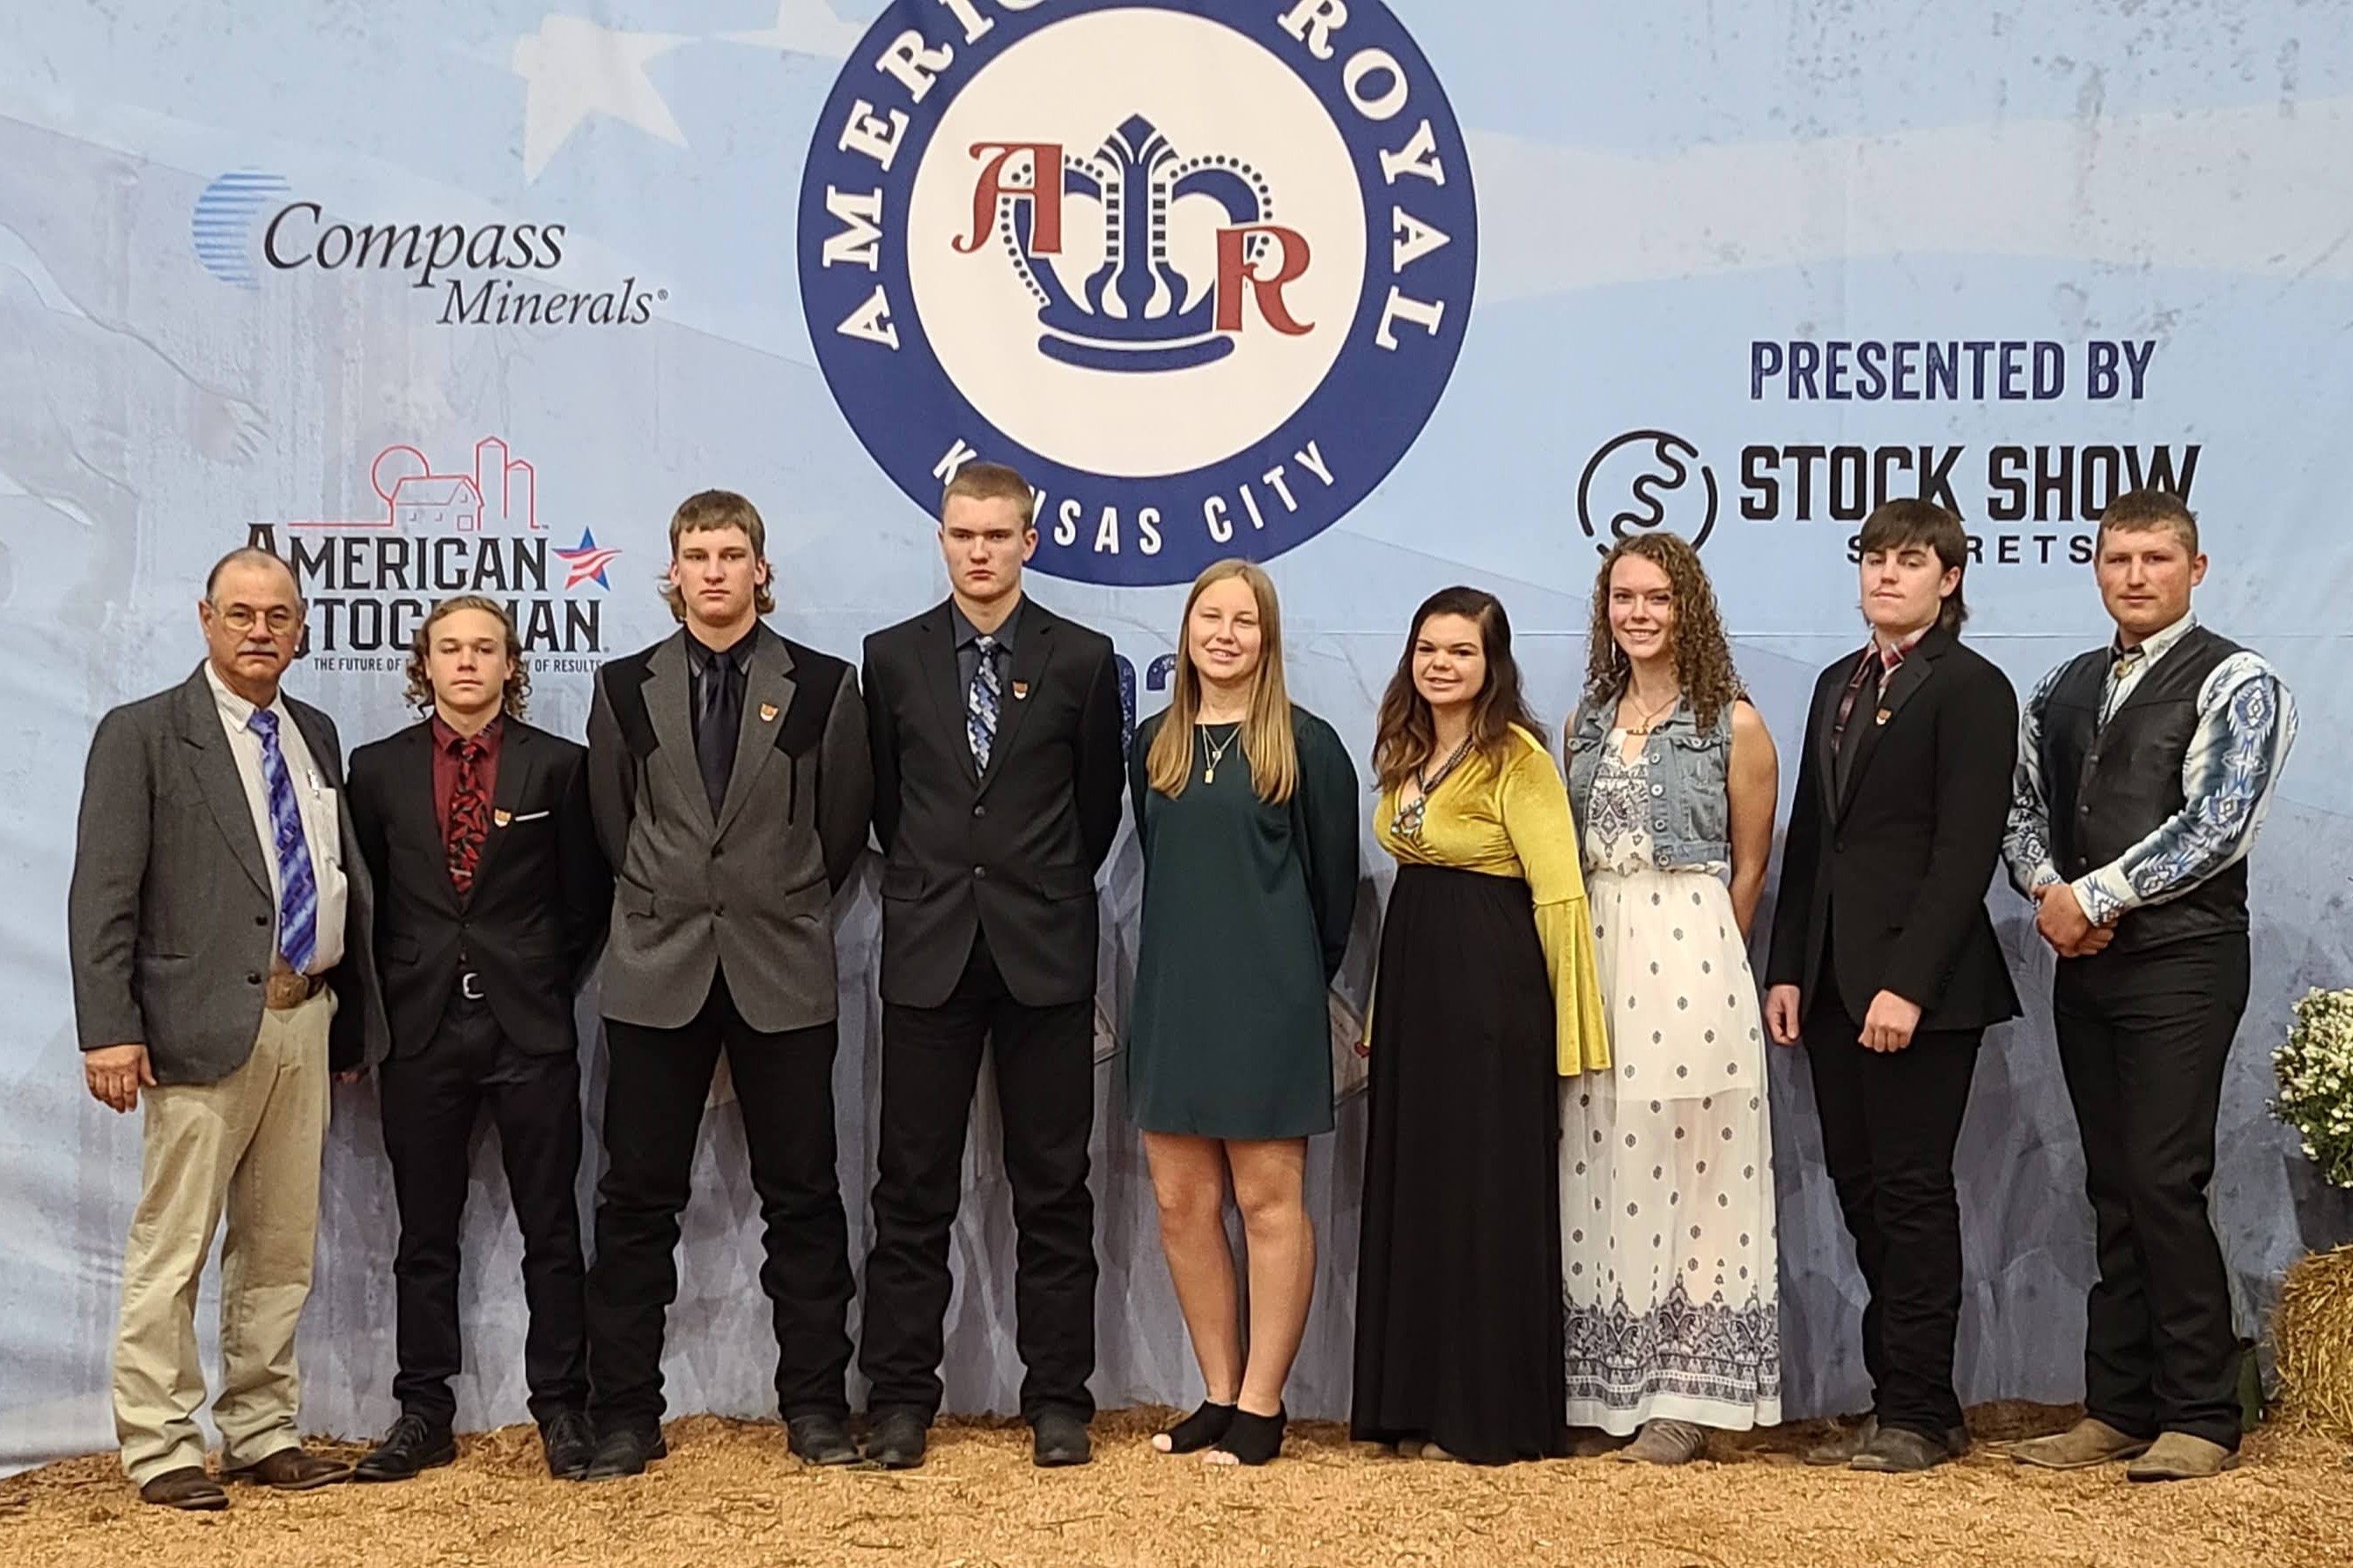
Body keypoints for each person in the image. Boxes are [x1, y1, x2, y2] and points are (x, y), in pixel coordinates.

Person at [69, 547, 388, 1510]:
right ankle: (160, 1440)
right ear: (205, 617)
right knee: (175, 1242)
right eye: (242, 613)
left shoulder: (316, 732)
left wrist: (349, 1024)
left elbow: (335, 878)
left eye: (279, 615)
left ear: (301, 628)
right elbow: (104, 893)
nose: (261, 630)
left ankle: (259, 1429)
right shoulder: (145, 734)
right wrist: (108, 1028)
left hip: (306, 1015)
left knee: (280, 1243)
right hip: (195, 1025)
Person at [2003, 490, 2297, 1483]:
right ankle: (2116, 1405)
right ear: (2095, 566)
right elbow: (2020, 806)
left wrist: (2091, 894)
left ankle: (2202, 1411)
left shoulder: (2238, 681)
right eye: (2117, 558)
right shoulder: (2061, 682)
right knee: (2112, 1183)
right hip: (2085, 959)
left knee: (2164, 1178)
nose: (2134, 576)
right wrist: (2048, 890)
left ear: (2194, 569)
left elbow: (2218, 822)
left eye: (2155, 559)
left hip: (2183, 956)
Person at [578, 490, 873, 1479]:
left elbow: (839, 832)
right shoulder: (623, 688)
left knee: (803, 1199)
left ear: (760, 568)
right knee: (633, 1203)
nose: (713, 569)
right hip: (658, 968)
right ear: (672, 571)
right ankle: (623, 1414)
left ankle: (817, 1408)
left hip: (780, 964)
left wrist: (771, 899)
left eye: (731, 551)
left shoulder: (826, 686)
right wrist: (678, 896)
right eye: (695, 553)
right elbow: (615, 828)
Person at [857, 460, 1125, 1470]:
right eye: (962, 534)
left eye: (996, 534)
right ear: (942, 539)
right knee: (909, 1188)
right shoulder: (889, 657)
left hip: (1042, 952)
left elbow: (1094, 805)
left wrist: (1032, 886)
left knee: (1053, 1187)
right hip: (928, 948)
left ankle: (1058, 1398)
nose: (979, 550)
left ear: (1028, 538)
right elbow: (884, 801)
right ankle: (896, 1400)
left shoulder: (1084, 658)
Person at [1762, 498, 2020, 1474]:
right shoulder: (1838, 680)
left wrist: (1905, 984)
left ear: (1947, 578)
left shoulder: (1971, 687)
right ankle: (1896, 1398)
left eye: (1908, 560)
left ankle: (1920, 1409)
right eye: (1872, 557)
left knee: (1911, 1194)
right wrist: (1787, 964)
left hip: (1922, 991)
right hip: (1829, 980)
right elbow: (1814, 840)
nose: (1885, 574)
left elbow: (1963, 852)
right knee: (1862, 1190)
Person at [344, 596, 610, 1483]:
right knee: (424, 1232)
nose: (466, 661)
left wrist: (531, 976)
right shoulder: (375, 769)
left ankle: (563, 1409)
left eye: (483, 647)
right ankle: (423, 1410)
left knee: (552, 1229)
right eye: (449, 647)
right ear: (425, 662)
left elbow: (585, 904)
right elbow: (369, 903)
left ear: (511, 662)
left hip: (528, 1025)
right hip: (420, 1029)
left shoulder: (560, 767)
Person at [1351, 585, 1610, 1466]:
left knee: (1486, 1196)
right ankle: (1410, 1401)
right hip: (1417, 984)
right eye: (1426, 646)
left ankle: (1487, 1414)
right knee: (1419, 1190)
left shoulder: (1518, 759)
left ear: (1490, 662)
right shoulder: (1403, 748)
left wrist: (1570, 1026)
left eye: (1459, 650)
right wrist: (1382, 1013)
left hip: (1493, 987)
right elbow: (1405, 896)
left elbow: (1558, 892)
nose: (1439, 663)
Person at [1127, 560, 1360, 1467]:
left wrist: (1291, 978)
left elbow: (1331, 889)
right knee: (1182, 1203)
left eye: (1243, 621)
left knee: (1269, 1203)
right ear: (1186, 631)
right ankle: (1217, 1391)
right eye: (1208, 617)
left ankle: (1264, 1402)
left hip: (1270, 1000)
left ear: (1268, 637)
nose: (1223, 634)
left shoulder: (1306, 745)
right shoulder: (1153, 741)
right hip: (1175, 998)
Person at [1560, 534, 1782, 1464]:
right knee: (1601, 1162)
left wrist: (1709, 960)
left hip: (1689, 944)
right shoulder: (1583, 722)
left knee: (1695, 1166)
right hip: (1598, 948)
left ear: (1686, 605)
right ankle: (1607, 1389)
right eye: (1622, 597)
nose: (1638, 613)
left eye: (1655, 596)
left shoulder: (1732, 722)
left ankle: (1685, 1397)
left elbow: (1749, 862)